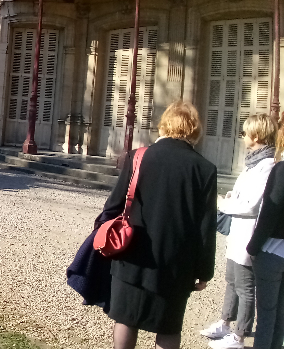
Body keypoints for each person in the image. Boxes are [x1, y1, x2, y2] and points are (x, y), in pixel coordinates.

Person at [101, 101, 217, 349]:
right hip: (175, 262)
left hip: (132, 252)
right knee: (168, 327)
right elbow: (206, 228)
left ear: (165, 125)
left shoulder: (137, 157)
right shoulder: (205, 169)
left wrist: (102, 238)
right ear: (194, 130)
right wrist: (204, 271)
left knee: (125, 320)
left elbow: (114, 205)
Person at [201, 114, 277, 349]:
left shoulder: (267, 165)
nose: (242, 137)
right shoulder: (252, 162)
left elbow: (252, 204)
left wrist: (224, 204)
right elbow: (241, 194)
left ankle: (240, 335)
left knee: (245, 286)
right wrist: (231, 197)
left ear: (256, 135)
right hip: (237, 231)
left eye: (245, 133)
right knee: (231, 280)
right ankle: (225, 322)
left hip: (248, 232)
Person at [246, 120, 284, 349]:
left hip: (273, 250)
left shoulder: (281, 169)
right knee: (280, 316)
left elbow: (270, 212)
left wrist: (253, 247)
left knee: (267, 316)